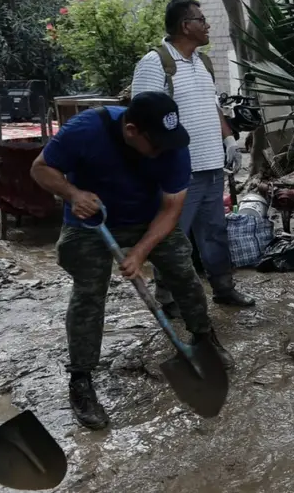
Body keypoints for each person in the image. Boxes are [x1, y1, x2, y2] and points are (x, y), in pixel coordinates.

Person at [29, 92, 233, 431]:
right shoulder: (85, 129)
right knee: (89, 293)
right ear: (132, 130)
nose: (163, 151)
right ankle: (81, 379)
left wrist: (139, 252)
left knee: (184, 271)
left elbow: (171, 210)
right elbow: (40, 168)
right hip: (90, 220)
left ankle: (202, 338)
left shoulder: (173, 145)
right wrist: (72, 194)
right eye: (156, 145)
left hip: (148, 218)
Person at [131, 0, 255, 312]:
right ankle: (168, 298)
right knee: (172, 237)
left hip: (212, 165)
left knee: (214, 232)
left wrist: (228, 140)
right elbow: (140, 118)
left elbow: (213, 107)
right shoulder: (155, 63)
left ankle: (223, 289)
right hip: (176, 171)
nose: (208, 24)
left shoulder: (202, 62)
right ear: (186, 26)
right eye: (202, 19)